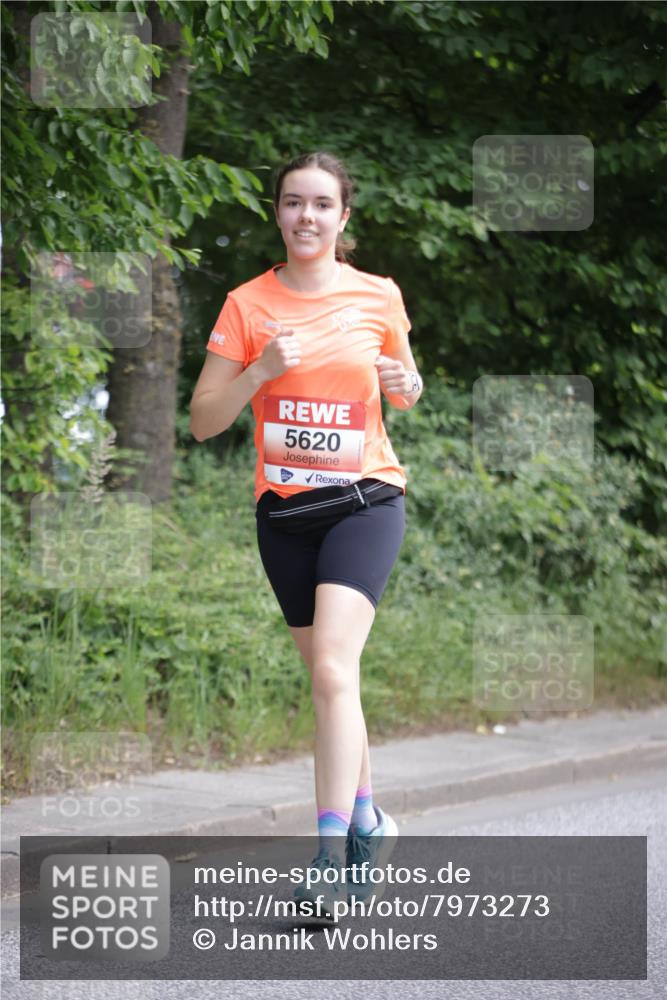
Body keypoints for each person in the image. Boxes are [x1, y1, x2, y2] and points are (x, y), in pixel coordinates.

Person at [190, 151, 423, 920]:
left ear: (342, 216)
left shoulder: (377, 295)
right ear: (278, 212)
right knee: (332, 683)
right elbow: (203, 422)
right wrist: (257, 373)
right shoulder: (246, 304)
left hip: (365, 500)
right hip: (285, 517)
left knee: (329, 669)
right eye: (293, 202)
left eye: (322, 204)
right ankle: (369, 821)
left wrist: (407, 384)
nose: (306, 217)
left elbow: (405, 387)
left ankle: (329, 857)